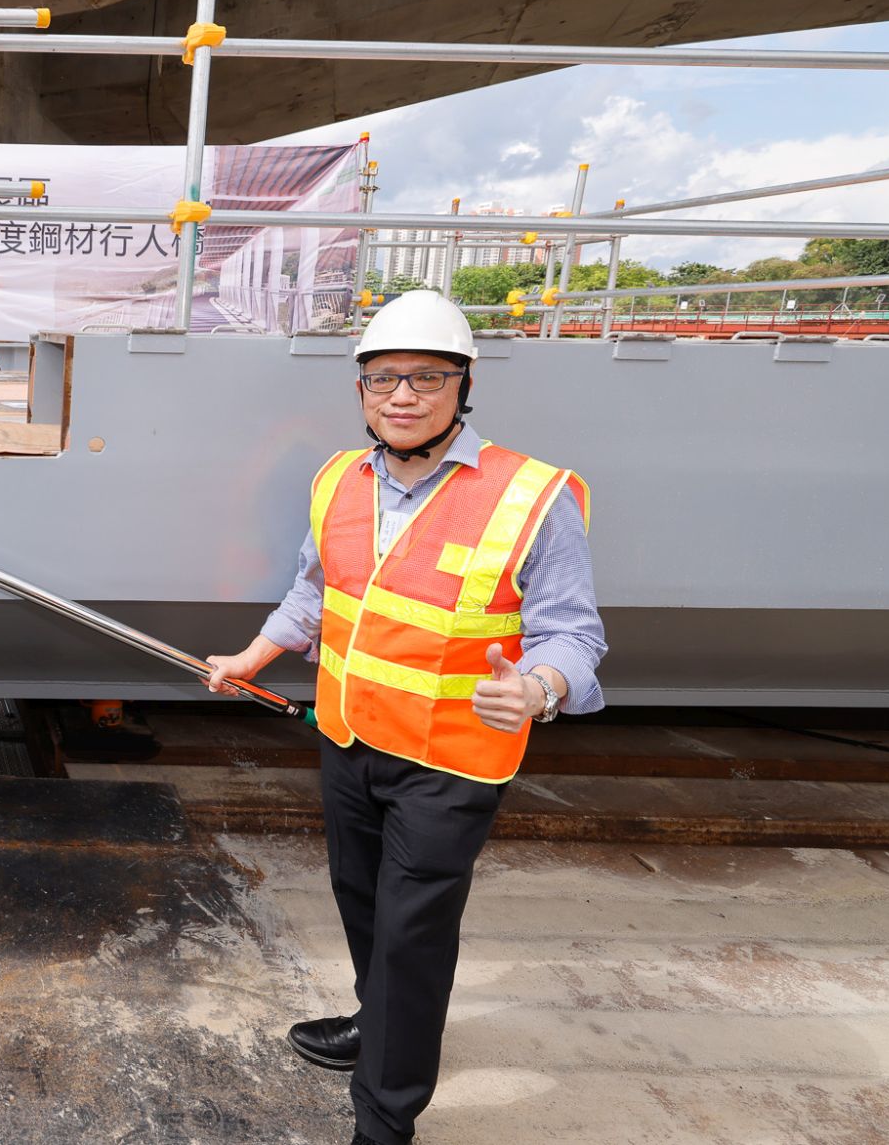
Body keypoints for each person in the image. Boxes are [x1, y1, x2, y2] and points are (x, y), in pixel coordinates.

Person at [205, 290, 606, 1145]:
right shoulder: (337, 480)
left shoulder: (532, 496)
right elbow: (317, 591)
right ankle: (373, 1027)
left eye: (427, 376)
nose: (402, 394)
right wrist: (255, 654)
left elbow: (574, 633)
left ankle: (384, 1119)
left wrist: (539, 687)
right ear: (360, 389)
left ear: (463, 384)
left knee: (413, 935)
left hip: (452, 759)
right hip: (348, 737)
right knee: (362, 905)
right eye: (382, 377)